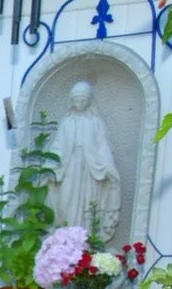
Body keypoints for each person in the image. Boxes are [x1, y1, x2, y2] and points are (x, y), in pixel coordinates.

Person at [50, 81, 121, 243]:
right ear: (72, 101)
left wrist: (108, 166)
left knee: (88, 205)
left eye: (83, 100)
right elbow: (58, 146)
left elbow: (103, 146)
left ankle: (84, 242)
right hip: (69, 168)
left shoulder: (95, 122)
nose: (80, 104)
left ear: (88, 101)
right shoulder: (67, 123)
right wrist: (51, 166)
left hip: (90, 170)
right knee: (66, 201)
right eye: (76, 100)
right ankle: (66, 240)